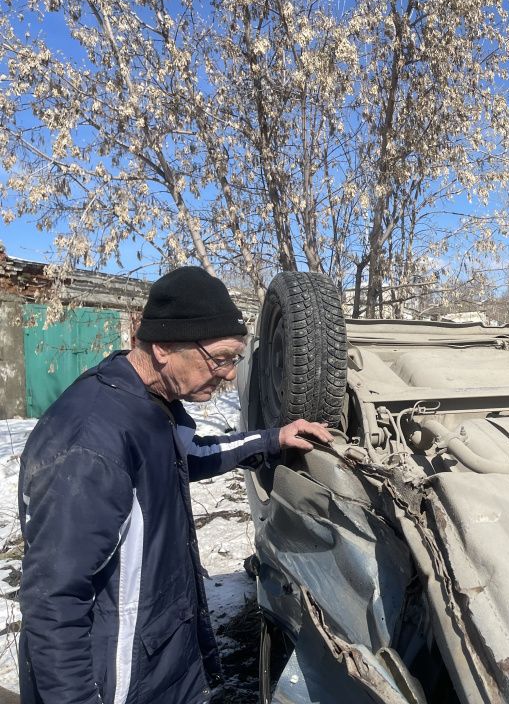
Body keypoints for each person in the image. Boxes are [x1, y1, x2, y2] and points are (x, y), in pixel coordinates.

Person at [17, 266, 333, 704]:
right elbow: (54, 603)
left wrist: (272, 439)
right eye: (221, 358)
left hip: (161, 663)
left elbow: (191, 456)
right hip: (116, 684)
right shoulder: (90, 445)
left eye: (234, 359)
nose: (228, 374)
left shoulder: (150, 403)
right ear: (164, 347)